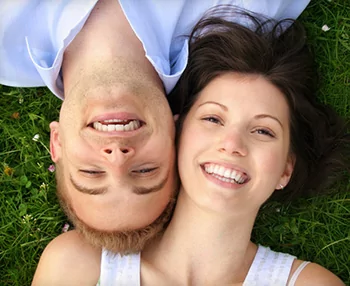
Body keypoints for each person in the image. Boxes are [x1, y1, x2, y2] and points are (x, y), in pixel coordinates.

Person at [32, 9, 349, 286]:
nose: (231, 145)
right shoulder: (76, 265)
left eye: (264, 130)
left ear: (285, 169)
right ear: (177, 135)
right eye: (213, 118)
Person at [0, 0, 311, 253]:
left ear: (57, 143)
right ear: (178, 136)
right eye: (145, 170)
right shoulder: (239, 12)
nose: (117, 156)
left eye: (91, 173)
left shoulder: (5, 46)